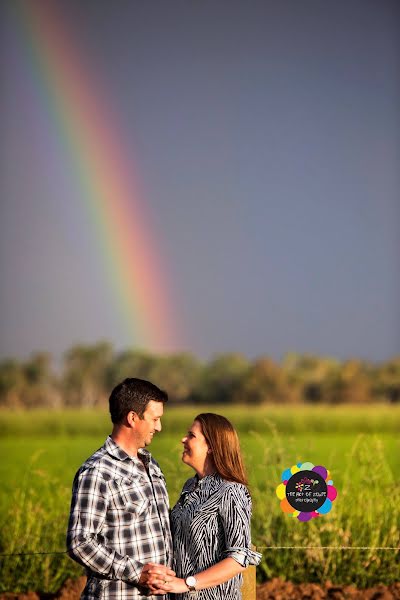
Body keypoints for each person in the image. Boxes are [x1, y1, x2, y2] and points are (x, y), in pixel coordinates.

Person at [67, 378, 175, 600]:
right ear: (133, 418)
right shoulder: (98, 471)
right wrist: (137, 573)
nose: (159, 427)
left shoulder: (151, 465)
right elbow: (80, 542)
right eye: (155, 419)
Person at [156, 413, 261, 599]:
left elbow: (238, 559)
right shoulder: (190, 486)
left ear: (211, 447)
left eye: (191, 435)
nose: (183, 439)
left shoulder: (232, 491)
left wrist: (186, 584)